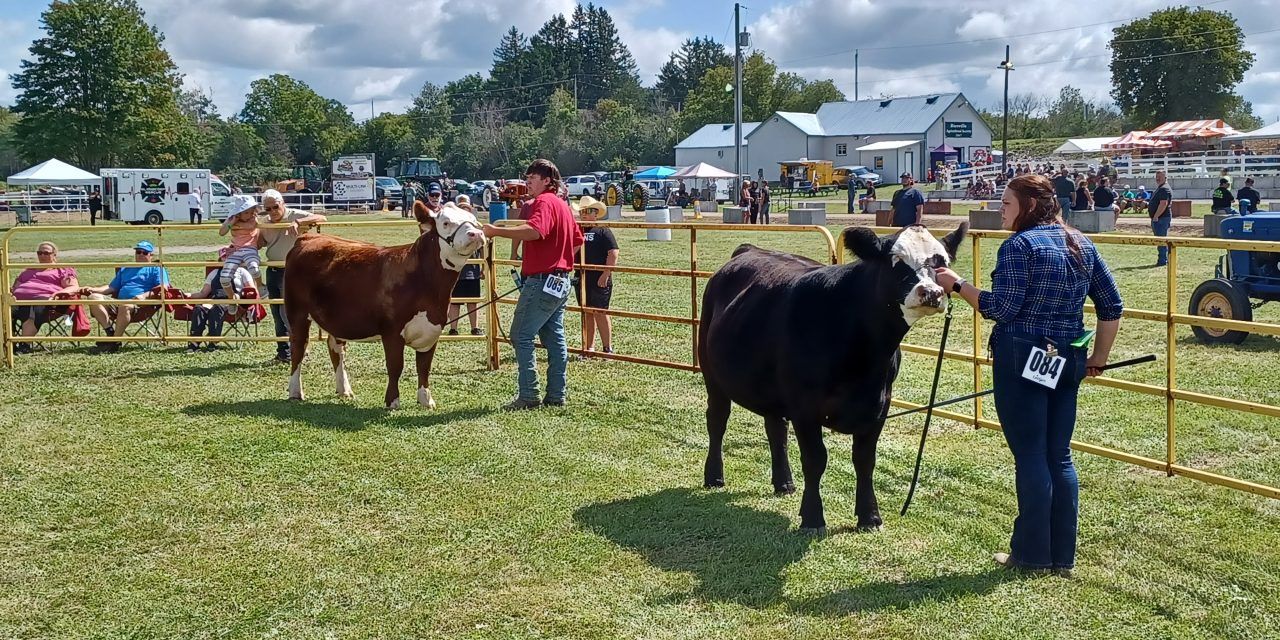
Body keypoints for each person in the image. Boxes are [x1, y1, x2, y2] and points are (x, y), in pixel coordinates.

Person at [934, 174, 1123, 577]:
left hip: (1022, 355)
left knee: (1032, 455)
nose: (1000, 210)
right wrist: (1099, 357)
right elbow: (1111, 305)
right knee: (1059, 455)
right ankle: (1061, 557)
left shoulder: (1019, 247)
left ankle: (1032, 555)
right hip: (1069, 355)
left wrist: (957, 285)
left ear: (1029, 207)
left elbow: (1001, 308)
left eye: (1006, 203)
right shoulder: (1081, 244)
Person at [482, 159, 584, 411]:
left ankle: (529, 394)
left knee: (521, 335)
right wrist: (560, 259)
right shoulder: (562, 205)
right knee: (554, 337)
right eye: (527, 177)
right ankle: (556, 394)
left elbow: (535, 231)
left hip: (541, 280)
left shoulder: (544, 202)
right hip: (560, 280)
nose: (527, 182)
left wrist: (496, 232)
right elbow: (577, 240)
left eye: (532, 178)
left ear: (547, 180)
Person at [258, 188, 326, 363]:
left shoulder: (293, 214)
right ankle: (284, 351)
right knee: (276, 311)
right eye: (268, 209)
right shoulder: (264, 223)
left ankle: (299, 347)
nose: (273, 212)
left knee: (289, 312)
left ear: (283, 204)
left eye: (275, 207)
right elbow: (259, 243)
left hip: (293, 271)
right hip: (273, 270)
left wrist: (298, 222)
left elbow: (321, 218)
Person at [79, 240, 171, 353]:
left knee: (125, 305)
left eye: (144, 253)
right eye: (138, 252)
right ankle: (110, 333)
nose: (141, 255)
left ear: (151, 255)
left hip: (142, 305)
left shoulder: (156, 268)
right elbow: (111, 288)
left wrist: (145, 296)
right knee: (93, 298)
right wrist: (94, 289)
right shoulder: (126, 268)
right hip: (118, 302)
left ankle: (114, 343)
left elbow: (163, 287)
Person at [10, 241, 79, 354]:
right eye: (39, 253)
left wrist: (57, 294)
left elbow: (73, 287)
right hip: (18, 300)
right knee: (5, 309)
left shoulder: (62, 270)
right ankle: (8, 343)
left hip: (46, 301)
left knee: (32, 309)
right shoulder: (28, 271)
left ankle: (25, 345)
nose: (42, 256)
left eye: (46, 253)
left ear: (54, 255)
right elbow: (14, 288)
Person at [574, 196, 618, 357]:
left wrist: (606, 273)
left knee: (601, 312)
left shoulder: (603, 231)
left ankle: (607, 348)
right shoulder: (577, 230)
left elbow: (613, 253)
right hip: (581, 276)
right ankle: (588, 347)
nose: (584, 214)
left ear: (596, 213)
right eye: (582, 211)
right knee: (586, 312)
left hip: (599, 277)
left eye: (588, 211)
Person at [185, 248, 252, 352]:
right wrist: (188, 295)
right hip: (214, 299)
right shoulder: (214, 272)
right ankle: (194, 342)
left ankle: (213, 342)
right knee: (199, 309)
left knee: (217, 308)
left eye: (230, 258)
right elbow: (203, 293)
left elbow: (252, 290)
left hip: (233, 302)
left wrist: (241, 297)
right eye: (224, 257)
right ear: (220, 259)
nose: (227, 260)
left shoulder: (242, 271)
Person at [447, 195, 484, 336]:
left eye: (467, 208)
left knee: (472, 301)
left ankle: (475, 327)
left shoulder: (477, 227)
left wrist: (483, 268)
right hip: (456, 270)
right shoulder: (453, 229)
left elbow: (483, 248)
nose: (465, 210)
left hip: (472, 270)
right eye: (461, 208)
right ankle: (453, 328)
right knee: (455, 301)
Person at [218, 195, 263, 298]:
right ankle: (231, 298)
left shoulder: (254, 219)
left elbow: (252, 225)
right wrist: (231, 223)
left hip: (250, 249)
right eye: (246, 212)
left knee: (254, 268)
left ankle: (260, 286)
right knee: (224, 278)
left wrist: (237, 226)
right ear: (239, 213)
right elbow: (221, 232)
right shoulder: (232, 219)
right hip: (235, 251)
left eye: (252, 211)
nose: (250, 214)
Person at [1148, 171, 1173, 266]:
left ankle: (1162, 260)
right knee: (1160, 240)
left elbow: (1163, 204)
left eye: (1160, 177)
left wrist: (1156, 216)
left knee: (1161, 240)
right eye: (1156, 177)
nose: (1157, 178)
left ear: (1165, 177)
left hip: (1161, 218)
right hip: (1161, 218)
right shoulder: (1161, 188)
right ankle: (1163, 259)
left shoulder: (1164, 189)